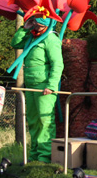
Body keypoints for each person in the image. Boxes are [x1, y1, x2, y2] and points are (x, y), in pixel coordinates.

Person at [11, 16, 64, 162]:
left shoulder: (51, 39)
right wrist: (24, 28)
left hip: (44, 86)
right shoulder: (31, 36)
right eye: (33, 22)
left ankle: (45, 156)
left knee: (45, 120)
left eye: (37, 23)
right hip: (30, 85)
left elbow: (57, 64)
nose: (34, 25)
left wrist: (52, 85)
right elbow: (15, 43)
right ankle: (34, 154)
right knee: (33, 120)